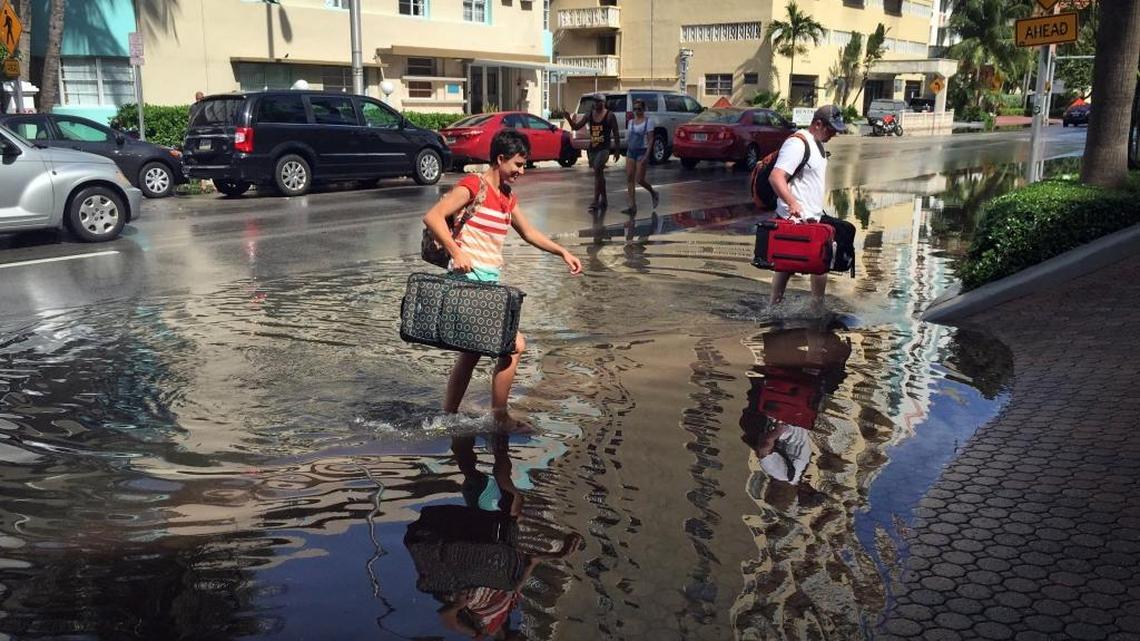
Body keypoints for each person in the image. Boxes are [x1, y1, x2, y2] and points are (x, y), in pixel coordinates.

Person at [422, 129, 583, 431]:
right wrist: (456, 251)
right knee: (514, 345)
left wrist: (562, 251)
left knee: (470, 354)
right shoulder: (474, 186)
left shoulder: (507, 197)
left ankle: (448, 414)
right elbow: (433, 216)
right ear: (500, 159)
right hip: (467, 282)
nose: (522, 171)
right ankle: (500, 416)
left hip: (488, 284)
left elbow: (529, 233)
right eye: (518, 164)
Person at [767, 104, 845, 309]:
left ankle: (811, 306)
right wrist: (792, 202)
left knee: (816, 262)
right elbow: (776, 177)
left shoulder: (818, 144)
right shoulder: (797, 143)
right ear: (818, 124)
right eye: (831, 129)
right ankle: (778, 306)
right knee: (795, 264)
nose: (834, 134)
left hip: (812, 217)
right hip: (793, 218)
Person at [566, 93, 620, 212]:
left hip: (604, 148)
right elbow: (576, 127)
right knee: (599, 174)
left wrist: (617, 150)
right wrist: (569, 119)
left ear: (603, 103)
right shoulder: (590, 114)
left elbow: (616, 133)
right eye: (594, 102)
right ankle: (604, 199)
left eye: (598, 102)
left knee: (597, 170)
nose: (595, 104)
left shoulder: (610, 116)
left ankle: (596, 201)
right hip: (593, 148)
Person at [621, 99, 660, 215]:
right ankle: (632, 206)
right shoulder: (631, 122)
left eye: (639, 109)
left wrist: (647, 155)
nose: (637, 111)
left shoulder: (649, 122)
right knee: (629, 178)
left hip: (642, 152)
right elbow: (629, 138)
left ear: (643, 109)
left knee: (639, 179)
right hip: (631, 152)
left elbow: (650, 139)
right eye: (635, 109)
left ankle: (653, 192)